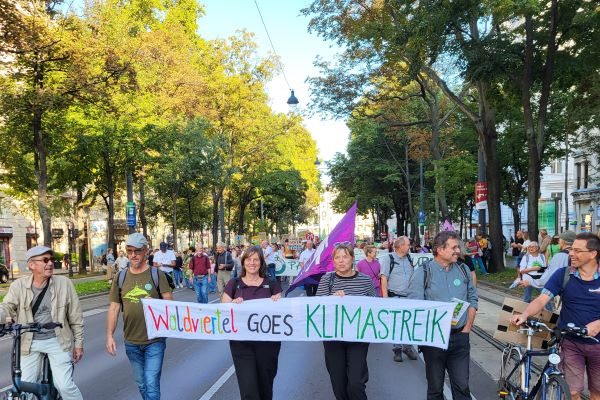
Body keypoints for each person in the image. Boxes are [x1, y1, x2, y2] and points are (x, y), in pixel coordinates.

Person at [512, 232, 600, 400]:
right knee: (572, 391)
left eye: (577, 251)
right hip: (571, 342)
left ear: (593, 253)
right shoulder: (564, 274)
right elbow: (542, 299)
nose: (571, 254)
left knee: (597, 393)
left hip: (598, 345)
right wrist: (525, 314)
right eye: (571, 249)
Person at [0, 246, 84, 400]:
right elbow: (6, 307)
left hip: (57, 340)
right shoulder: (18, 286)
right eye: (45, 260)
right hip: (29, 342)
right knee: (24, 388)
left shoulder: (64, 283)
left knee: (64, 386)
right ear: (31, 265)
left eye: (51, 259)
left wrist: (78, 343)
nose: (50, 263)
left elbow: (75, 316)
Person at [408, 231, 478, 400]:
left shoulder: (463, 269)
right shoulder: (423, 272)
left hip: (459, 337)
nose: (458, 251)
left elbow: (472, 298)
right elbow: (415, 307)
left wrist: (467, 328)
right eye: (454, 247)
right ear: (440, 250)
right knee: (435, 388)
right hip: (434, 340)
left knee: (462, 386)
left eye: (457, 247)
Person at [106, 233, 173, 400]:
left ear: (146, 252)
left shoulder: (157, 275)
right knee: (142, 383)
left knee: (151, 383)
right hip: (131, 342)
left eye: (137, 251)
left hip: (155, 340)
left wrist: (156, 305)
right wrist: (109, 336)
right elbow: (114, 308)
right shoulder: (120, 277)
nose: (133, 255)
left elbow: (170, 304)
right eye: (129, 251)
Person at [316, 242, 376, 400]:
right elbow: (317, 310)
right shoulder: (326, 280)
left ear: (353, 259)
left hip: (358, 338)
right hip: (333, 339)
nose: (341, 260)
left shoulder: (365, 280)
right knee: (339, 384)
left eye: (345, 257)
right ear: (333, 261)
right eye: (337, 257)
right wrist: (331, 299)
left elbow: (375, 308)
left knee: (356, 383)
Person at [222, 246, 282, 400]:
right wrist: (232, 305)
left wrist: (277, 303)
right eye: (248, 259)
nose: (252, 263)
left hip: (267, 345)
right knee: (248, 389)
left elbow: (283, 313)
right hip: (242, 345)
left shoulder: (272, 284)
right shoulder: (233, 284)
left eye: (256, 259)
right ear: (243, 262)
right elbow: (223, 311)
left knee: (265, 387)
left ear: (261, 262)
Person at [380, 236, 418, 362]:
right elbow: (384, 278)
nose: (409, 246)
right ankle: (397, 349)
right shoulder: (389, 258)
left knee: (408, 323)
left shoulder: (409, 258)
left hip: (409, 297)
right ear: (401, 246)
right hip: (395, 297)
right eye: (407, 244)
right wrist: (385, 297)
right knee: (397, 324)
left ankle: (407, 347)